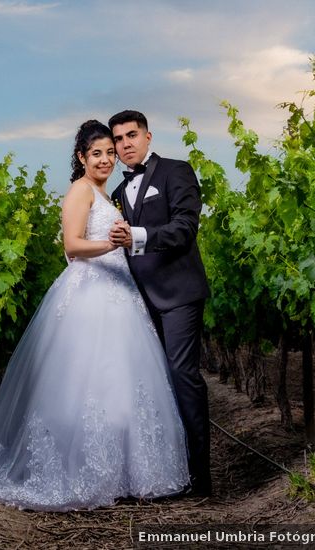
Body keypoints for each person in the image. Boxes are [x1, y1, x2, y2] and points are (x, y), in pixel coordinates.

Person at [0, 121, 189, 511]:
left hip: (117, 290)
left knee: (120, 381)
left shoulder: (105, 194)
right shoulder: (81, 190)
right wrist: (111, 243)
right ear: (81, 157)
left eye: (110, 153)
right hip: (91, 290)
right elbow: (71, 244)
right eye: (97, 153)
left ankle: (125, 472)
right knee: (85, 381)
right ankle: (80, 469)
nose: (106, 159)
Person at [107, 110, 211, 497]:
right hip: (136, 301)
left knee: (183, 377)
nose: (125, 144)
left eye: (132, 135)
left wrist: (134, 235)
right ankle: (163, 472)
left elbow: (185, 228)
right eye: (118, 139)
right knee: (150, 384)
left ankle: (200, 478)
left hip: (179, 295)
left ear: (149, 136)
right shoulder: (117, 194)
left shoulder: (176, 171)